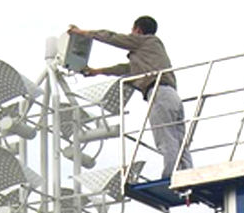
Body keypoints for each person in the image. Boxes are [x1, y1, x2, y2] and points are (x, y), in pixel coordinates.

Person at [67, 17, 193, 180]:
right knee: (179, 139)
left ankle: (171, 175)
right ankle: (187, 172)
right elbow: (125, 69)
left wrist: (82, 33)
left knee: (165, 138)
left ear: (138, 31)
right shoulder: (149, 53)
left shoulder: (145, 41)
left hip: (159, 93)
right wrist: (97, 71)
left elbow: (112, 37)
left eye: (132, 31)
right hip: (172, 95)